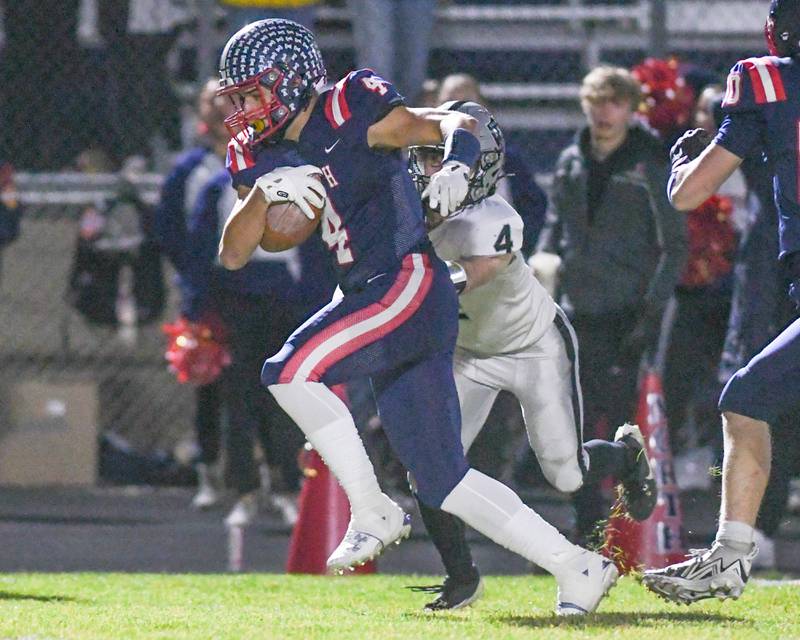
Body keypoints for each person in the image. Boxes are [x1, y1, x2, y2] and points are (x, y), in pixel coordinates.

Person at [216, 19, 618, 614]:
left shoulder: (351, 105)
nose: (246, 109)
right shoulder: (261, 150)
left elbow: (452, 124)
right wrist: (265, 191)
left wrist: (455, 165)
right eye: (240, 97)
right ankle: (576, 566)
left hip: (404, 279)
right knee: (443, 479)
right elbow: (241, 250)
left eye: (254, 93)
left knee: (288, 372)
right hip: (373, 295)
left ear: (292, 81)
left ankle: (371, 508)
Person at [404, 101, 657, 610]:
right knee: (428, 469)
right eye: (427, 157)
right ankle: (462, 577)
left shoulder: (495, 215)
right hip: (468, 353)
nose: (432, 169)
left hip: (533, 345)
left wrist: (402, 285)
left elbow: (477, 273)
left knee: (566, 473)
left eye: (442, 158)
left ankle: (625, 454)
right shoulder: (406, 214)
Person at [642, 0, 800, 603]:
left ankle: (730, 559)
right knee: (748, 399)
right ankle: (729, 559)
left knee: (746, 398)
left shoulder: (767, 81)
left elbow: (689, 195)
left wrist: (680, 163)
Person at [533, 65, 687, 544]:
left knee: (621, 418)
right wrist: (541, 279)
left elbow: (674, 246)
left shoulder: (649, 163)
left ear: (631, 109)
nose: (603, 112)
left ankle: (624, 529)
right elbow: (554, 228)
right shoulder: (570, 160)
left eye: (614, 103)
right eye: (596, 102)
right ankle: (587, 527)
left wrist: (650, 312)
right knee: (570, 421)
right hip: (575, 309)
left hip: (627, 313)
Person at [154, 80, 229, 510]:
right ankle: (209, 471)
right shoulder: (189, 169)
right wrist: (193, 271)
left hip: (256, 289)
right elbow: (168, 227)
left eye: (227, 100)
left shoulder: (263, 162)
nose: (218, 108)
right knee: (207, 381)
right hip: (205, 292)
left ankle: (266, 475)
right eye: (209, 101)